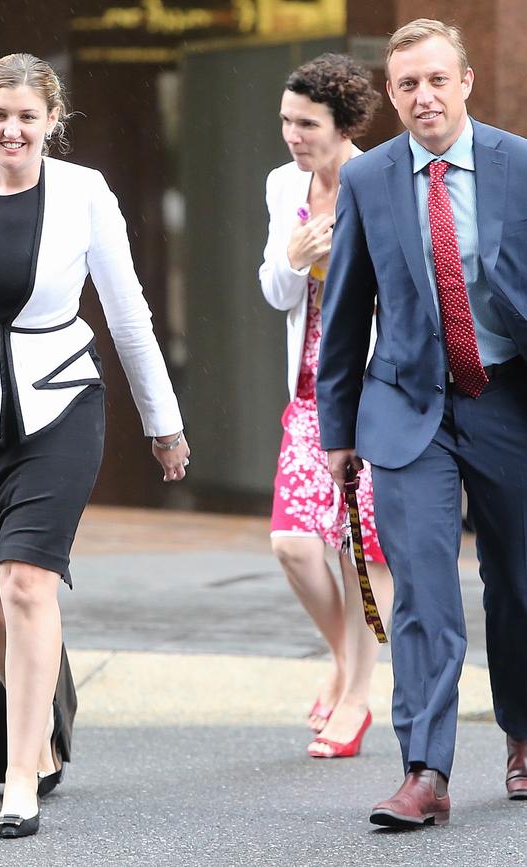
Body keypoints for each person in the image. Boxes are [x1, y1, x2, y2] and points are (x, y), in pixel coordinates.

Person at [0, 53, 189, 839]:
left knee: (26, 582)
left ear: (54, 120)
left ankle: (19, 770)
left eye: (28, 116)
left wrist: (163, 421)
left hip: (62, 403)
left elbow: (127, 314)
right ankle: (42, 716)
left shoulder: (85, 194)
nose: (12, 130)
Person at [317, 18, 527, 828]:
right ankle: (426, 770)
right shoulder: (368, 178)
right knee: (424, 595)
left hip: (507, 396)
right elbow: (344, 314)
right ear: (393, 95)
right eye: (407, 84)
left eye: (436, 79)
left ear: (466, 81)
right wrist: (337, 434)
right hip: (406, 407)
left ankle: (521, 740)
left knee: (516, 582)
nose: (423, 96)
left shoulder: (517, 163)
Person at [259, 54, 392, 759]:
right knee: (293, 542)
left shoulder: (380, 179)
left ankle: (359, 694)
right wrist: (293, 255)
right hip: (309, 391)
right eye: (286, 120)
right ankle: (344, 659)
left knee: (361, 549)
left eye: (306, 122)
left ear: (343, 126)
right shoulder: (285, 186)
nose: (292, 134)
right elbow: (275, 291)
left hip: (374, 391)